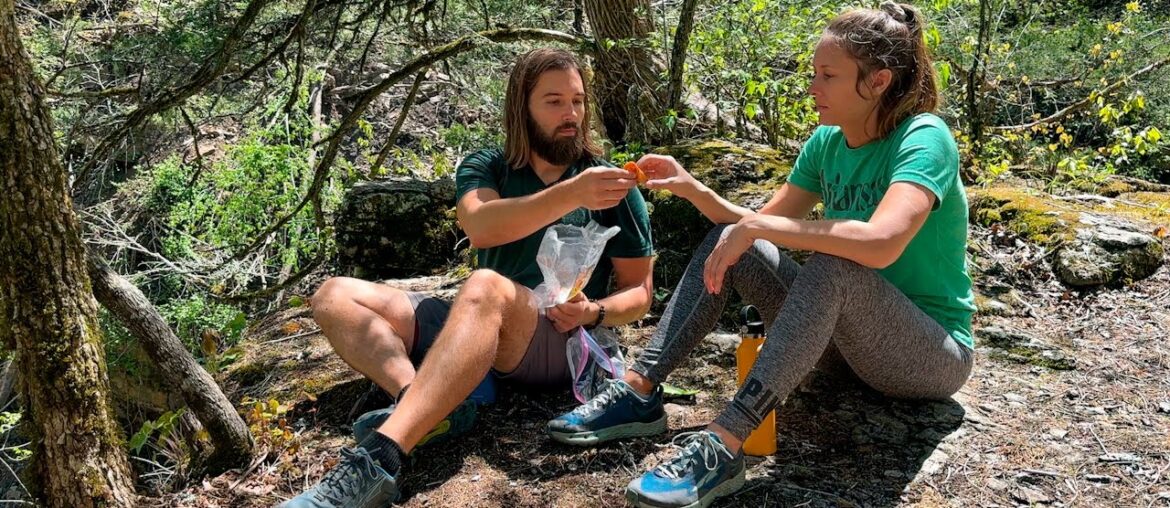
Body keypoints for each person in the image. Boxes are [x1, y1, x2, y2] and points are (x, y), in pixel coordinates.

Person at [546, 3, 976, 507]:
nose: (813, 88)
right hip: (845, 351)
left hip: (928, 355)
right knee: (728, 240)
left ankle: (726, 444)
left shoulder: (924, 138)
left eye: (828, 76)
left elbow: (883, 241)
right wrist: (693, 189)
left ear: (878, 81)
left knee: (832, 264)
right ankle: (640, 390)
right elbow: (761, 226)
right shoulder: (827, 143)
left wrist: (755, 226)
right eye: (814, 73)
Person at [280, 48, 655, 508]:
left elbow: (640, 293)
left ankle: (379, 458)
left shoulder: (610, 184)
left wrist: (594, 311)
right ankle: (425, 400)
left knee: (483, 286)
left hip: (555, 338)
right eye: (554, 101)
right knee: (333, 294)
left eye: (577, 101)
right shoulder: (489, 166)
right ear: (523, 107)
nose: (570, 114)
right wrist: (571, 194)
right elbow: (481, 225)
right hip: (482, 322)